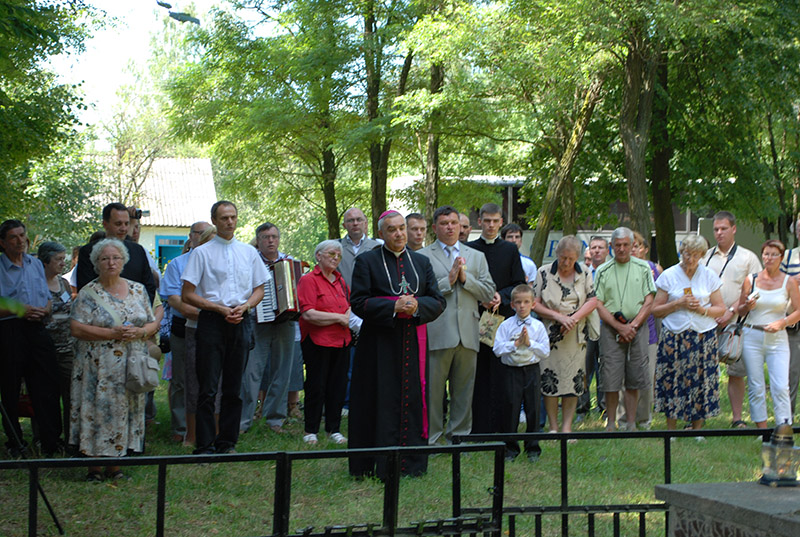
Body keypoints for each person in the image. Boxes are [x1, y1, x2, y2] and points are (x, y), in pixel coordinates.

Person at [348, 210, 445, 479]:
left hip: (413, 344)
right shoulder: (367, 261)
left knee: (412, 399)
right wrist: (393, 306)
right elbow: (358, 302)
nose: (399, 233)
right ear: (381, 233)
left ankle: (411, 464)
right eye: (392, 229)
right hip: (378, 346)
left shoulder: (421, 262)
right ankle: (374, 463)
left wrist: (416, 306)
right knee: (379, 399)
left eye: (402, 228)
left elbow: (438, 301)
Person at [181, 201, 267, 455]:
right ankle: (205, 444)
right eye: (224, 218)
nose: (229, 222)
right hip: (211, 321)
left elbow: (260, 288)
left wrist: (246, 306)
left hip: (240, 320)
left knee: (234, 386)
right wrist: (218, 309)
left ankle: (227, 443)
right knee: (207, 386)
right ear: (214, 221)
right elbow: (187, 294)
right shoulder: (202, 253)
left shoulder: (248, 253)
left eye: (233, 217)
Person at [69, 238, 159, 481]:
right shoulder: (88, 293)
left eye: (116, 258)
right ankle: (94, 468)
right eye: (105, 258)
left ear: (123, 261)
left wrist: (141, 332)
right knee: (97, 411)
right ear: (96, 263)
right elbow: (76, 328)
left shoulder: (138, 290)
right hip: (98, 367)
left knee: (124, 410)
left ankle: (116, 466)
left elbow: (152, 322)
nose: (111, 262)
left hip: (131, 365)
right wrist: (111, 334)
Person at [419, 206, 495, 445]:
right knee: (433, 390)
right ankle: (432, 436)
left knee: (464, 389)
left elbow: (488, 291)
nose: (450, 227)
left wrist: (465, 279)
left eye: (454, 223)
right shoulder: (423, 256)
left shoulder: (476, 256)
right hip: (438, 330)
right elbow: (421, 292)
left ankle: (459, 435)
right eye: (444, 223)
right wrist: (448, 281)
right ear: (435, 228)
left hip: (468, 331)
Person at [0, 220, 63, 458]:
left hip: (37, 328)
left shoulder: (35, 263)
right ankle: (15, 442)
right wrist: (20, 310)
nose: (20, 241)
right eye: (13, 237)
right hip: (9, 331)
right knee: (10, 387)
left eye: (22, 235)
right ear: (3, 242)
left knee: (47, 384)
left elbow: (46, 297)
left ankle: (50, 441)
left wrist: (45, 309)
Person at [651, 235, 725, 431]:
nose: (690, 259)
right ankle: (671, 430)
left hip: (703, 335)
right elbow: (655, 310)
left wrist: (702, 310)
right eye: (686, 254)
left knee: (700, 380)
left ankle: (697, 429)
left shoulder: (709, 275)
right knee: (673, 379)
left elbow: (721, 309)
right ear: (681, 252)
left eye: (695, 255)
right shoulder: (669, 275)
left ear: (701, 255)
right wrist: (677, 304)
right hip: (674, 335)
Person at [466, 203, 526, 434]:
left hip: (503, 319)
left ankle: (502, 426)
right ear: (479, 221)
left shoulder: (509, 250)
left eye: (495, 221)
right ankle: (478, 427)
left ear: (501, 222)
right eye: (487, 221)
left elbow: (518, 283)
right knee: (478, 373)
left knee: (502, 373)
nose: (491, 225)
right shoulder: (468, 249)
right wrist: (480, 298)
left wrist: (502, 295)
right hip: (475, 318)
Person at [532, 236, 597, 435]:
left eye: (571, 259)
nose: (566, 262)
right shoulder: (543, 272)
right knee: (549, 379)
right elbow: (534, 303)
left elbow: (592, 301)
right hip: (550, 335)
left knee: (573, 380)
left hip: (576, 336)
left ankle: (567, 427)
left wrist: (573, 319)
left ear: (577, 257)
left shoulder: (585, 272)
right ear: (557, 254)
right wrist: (558, 317)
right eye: (563, 258)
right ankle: (553, 426)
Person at [702, 211, 761, 428]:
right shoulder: (705, 256)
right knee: (703, 371)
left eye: (724, 229)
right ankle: (699, 418)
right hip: (707, 322)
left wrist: (731, 311)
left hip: (737, 323)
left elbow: (755, 290)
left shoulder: (748, 258)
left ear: (734, 229)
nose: (719, 233)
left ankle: (737, 418)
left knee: (736, 372)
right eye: (716, 229)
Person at [594, 227, 656, 431]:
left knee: (635, 376)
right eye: (618, 245)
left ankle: (631, 423)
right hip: (611, 328)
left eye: (625, 245)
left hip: (638, 327)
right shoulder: (602, 270)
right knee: (610, 377)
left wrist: (633, 326)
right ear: (611, 246)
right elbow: (598, 303)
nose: (621, 249)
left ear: (632, 245)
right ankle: (611, 423)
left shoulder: (643, 268)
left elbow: (649, 300)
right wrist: (619, 327)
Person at [239, 223, 297, 435]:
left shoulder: (289, 262)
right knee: (251, 373)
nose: (271, 241)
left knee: (282, 371)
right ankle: (243, 421)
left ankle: (275, 419)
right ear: (258, 240)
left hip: (285, 323)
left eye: (274, 236)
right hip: (257, 322)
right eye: (265, 237)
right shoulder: (249, 261)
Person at [738, 240, 800, 428]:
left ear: (781, 258)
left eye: (774, 254)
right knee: (756, 385)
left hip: (778, 338)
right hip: (752, 335)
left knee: (781, 386)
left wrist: (783, 322)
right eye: (766, 254)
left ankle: (783, 428)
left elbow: (798, 311)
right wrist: (747, 306)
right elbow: (740, 310)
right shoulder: (751, 280)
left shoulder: (789, 281)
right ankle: (762, 431)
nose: (769, 258)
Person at [159, 221, 211, 444]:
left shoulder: (217, 263)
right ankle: (181, 428)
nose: (205, 237)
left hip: (213, 328)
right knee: (181, 380)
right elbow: (173, 299)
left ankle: (206, 426)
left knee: (209, 379)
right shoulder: (177, 265)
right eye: (200, 233)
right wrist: (202, 314)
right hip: (183, 327)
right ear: (191, 237)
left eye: (209, 233)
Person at [297, 240, 351, 445]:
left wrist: (345, 317)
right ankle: (310, 430)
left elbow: (349, 306)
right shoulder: (308, 280)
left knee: (338, 386)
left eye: (338, 255)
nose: (336, 258)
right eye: (331, 254)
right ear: (318, 256)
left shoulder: (340, 280)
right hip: (317, 341)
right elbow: (309, 314)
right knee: (316, 386)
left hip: (342, 341)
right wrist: (338, 318)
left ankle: (333, 429)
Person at [493, 284, 549, 461]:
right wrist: (515, 344)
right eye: (518, 302)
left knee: (533, 408)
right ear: (512, 305)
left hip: (531, 370)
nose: (522, 306)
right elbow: (497, 349)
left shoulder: (538, 327)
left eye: (526, 302)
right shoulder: (506, 325)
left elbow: (545, 351)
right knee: (511, 408)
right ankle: (510, 448)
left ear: (533, 304)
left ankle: (532, 448)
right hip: (512, 371)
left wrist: (530, 343)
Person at [619, 231, 664, 428]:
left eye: (636, 246)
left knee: (646, 376)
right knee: (623, 377)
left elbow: (660, 300)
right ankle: (623, 420)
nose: (632, 250)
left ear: (644, 249)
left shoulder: (655, 269)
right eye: (630, 246)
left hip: (648, 331)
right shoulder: (617, 269)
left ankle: (644, 419)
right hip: (621, 329)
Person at [75, 202, 157, 303]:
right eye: (118, 224)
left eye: (126, 224)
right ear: (105, 224)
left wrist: (138, 308)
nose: (123, 229)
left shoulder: (138, 251)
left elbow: (149, 287)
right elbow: (85, 290)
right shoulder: (88, 251)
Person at [39, 241, 75, 439]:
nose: (63, 263)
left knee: (71, 395)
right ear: (45, 261)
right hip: (44, 349)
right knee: (46, 395)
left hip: (67, 349)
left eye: (64, 259)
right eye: (58, 259)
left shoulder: (64, 283)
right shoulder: (36, 284)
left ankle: (71, 438)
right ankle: (48, 438)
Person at [576, 236, 608, 417]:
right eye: (593, 247)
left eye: (600, 247)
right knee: (583, 369)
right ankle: (582, 408)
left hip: (606, 326)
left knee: (605, 369)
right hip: (585, 327)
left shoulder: (611, 271)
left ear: (607, 250)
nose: (596, 251)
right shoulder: (581, 272)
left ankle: (604, 408)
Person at [780, 216, 800, 414]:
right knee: (792, 371)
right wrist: (795, 280)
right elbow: (777, 283)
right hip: (794, 322)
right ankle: (788, 417)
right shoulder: (788, 256)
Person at [338, 207, 381, 287]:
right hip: (342, 294)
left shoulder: (377, 247)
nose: (355, 223)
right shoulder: (335, 248)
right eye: (350, 220)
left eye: (359, 220)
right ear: (344, 225)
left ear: (365, 223)